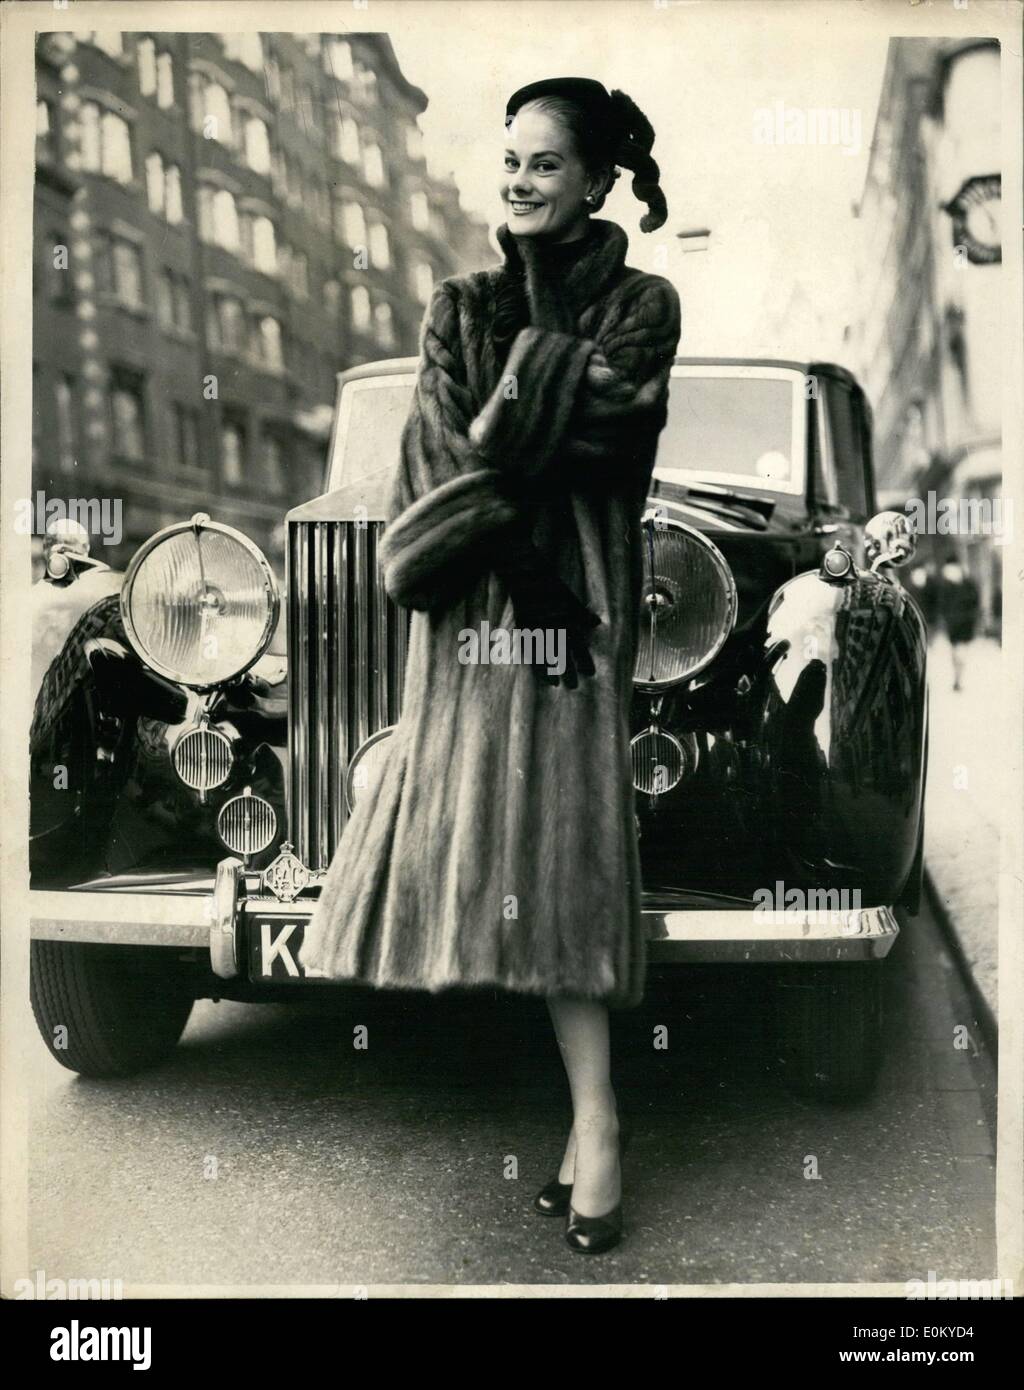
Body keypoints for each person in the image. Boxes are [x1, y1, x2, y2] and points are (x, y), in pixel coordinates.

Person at [299, 77, 681, 1255]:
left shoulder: (643, 301)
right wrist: (519, 507)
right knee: (486, 873)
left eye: (544, 165)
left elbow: (615, 421)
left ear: (596, 182)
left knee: (564, 881)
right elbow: (432, 471)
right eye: (508, 160)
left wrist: (504, 419)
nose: (517, 182)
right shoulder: (455, 303)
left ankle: (600, 1126)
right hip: (481, 621)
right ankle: (578, 1133)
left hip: (575, 627)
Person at [935, 552, 980, 691]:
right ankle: (957, 677)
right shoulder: (952, 584)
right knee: (957, 653)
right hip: (957, 624)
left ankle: (957, 678)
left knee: (959, 652)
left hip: (962, 623)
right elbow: (942, 604)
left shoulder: (964, 583)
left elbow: (974, 601)